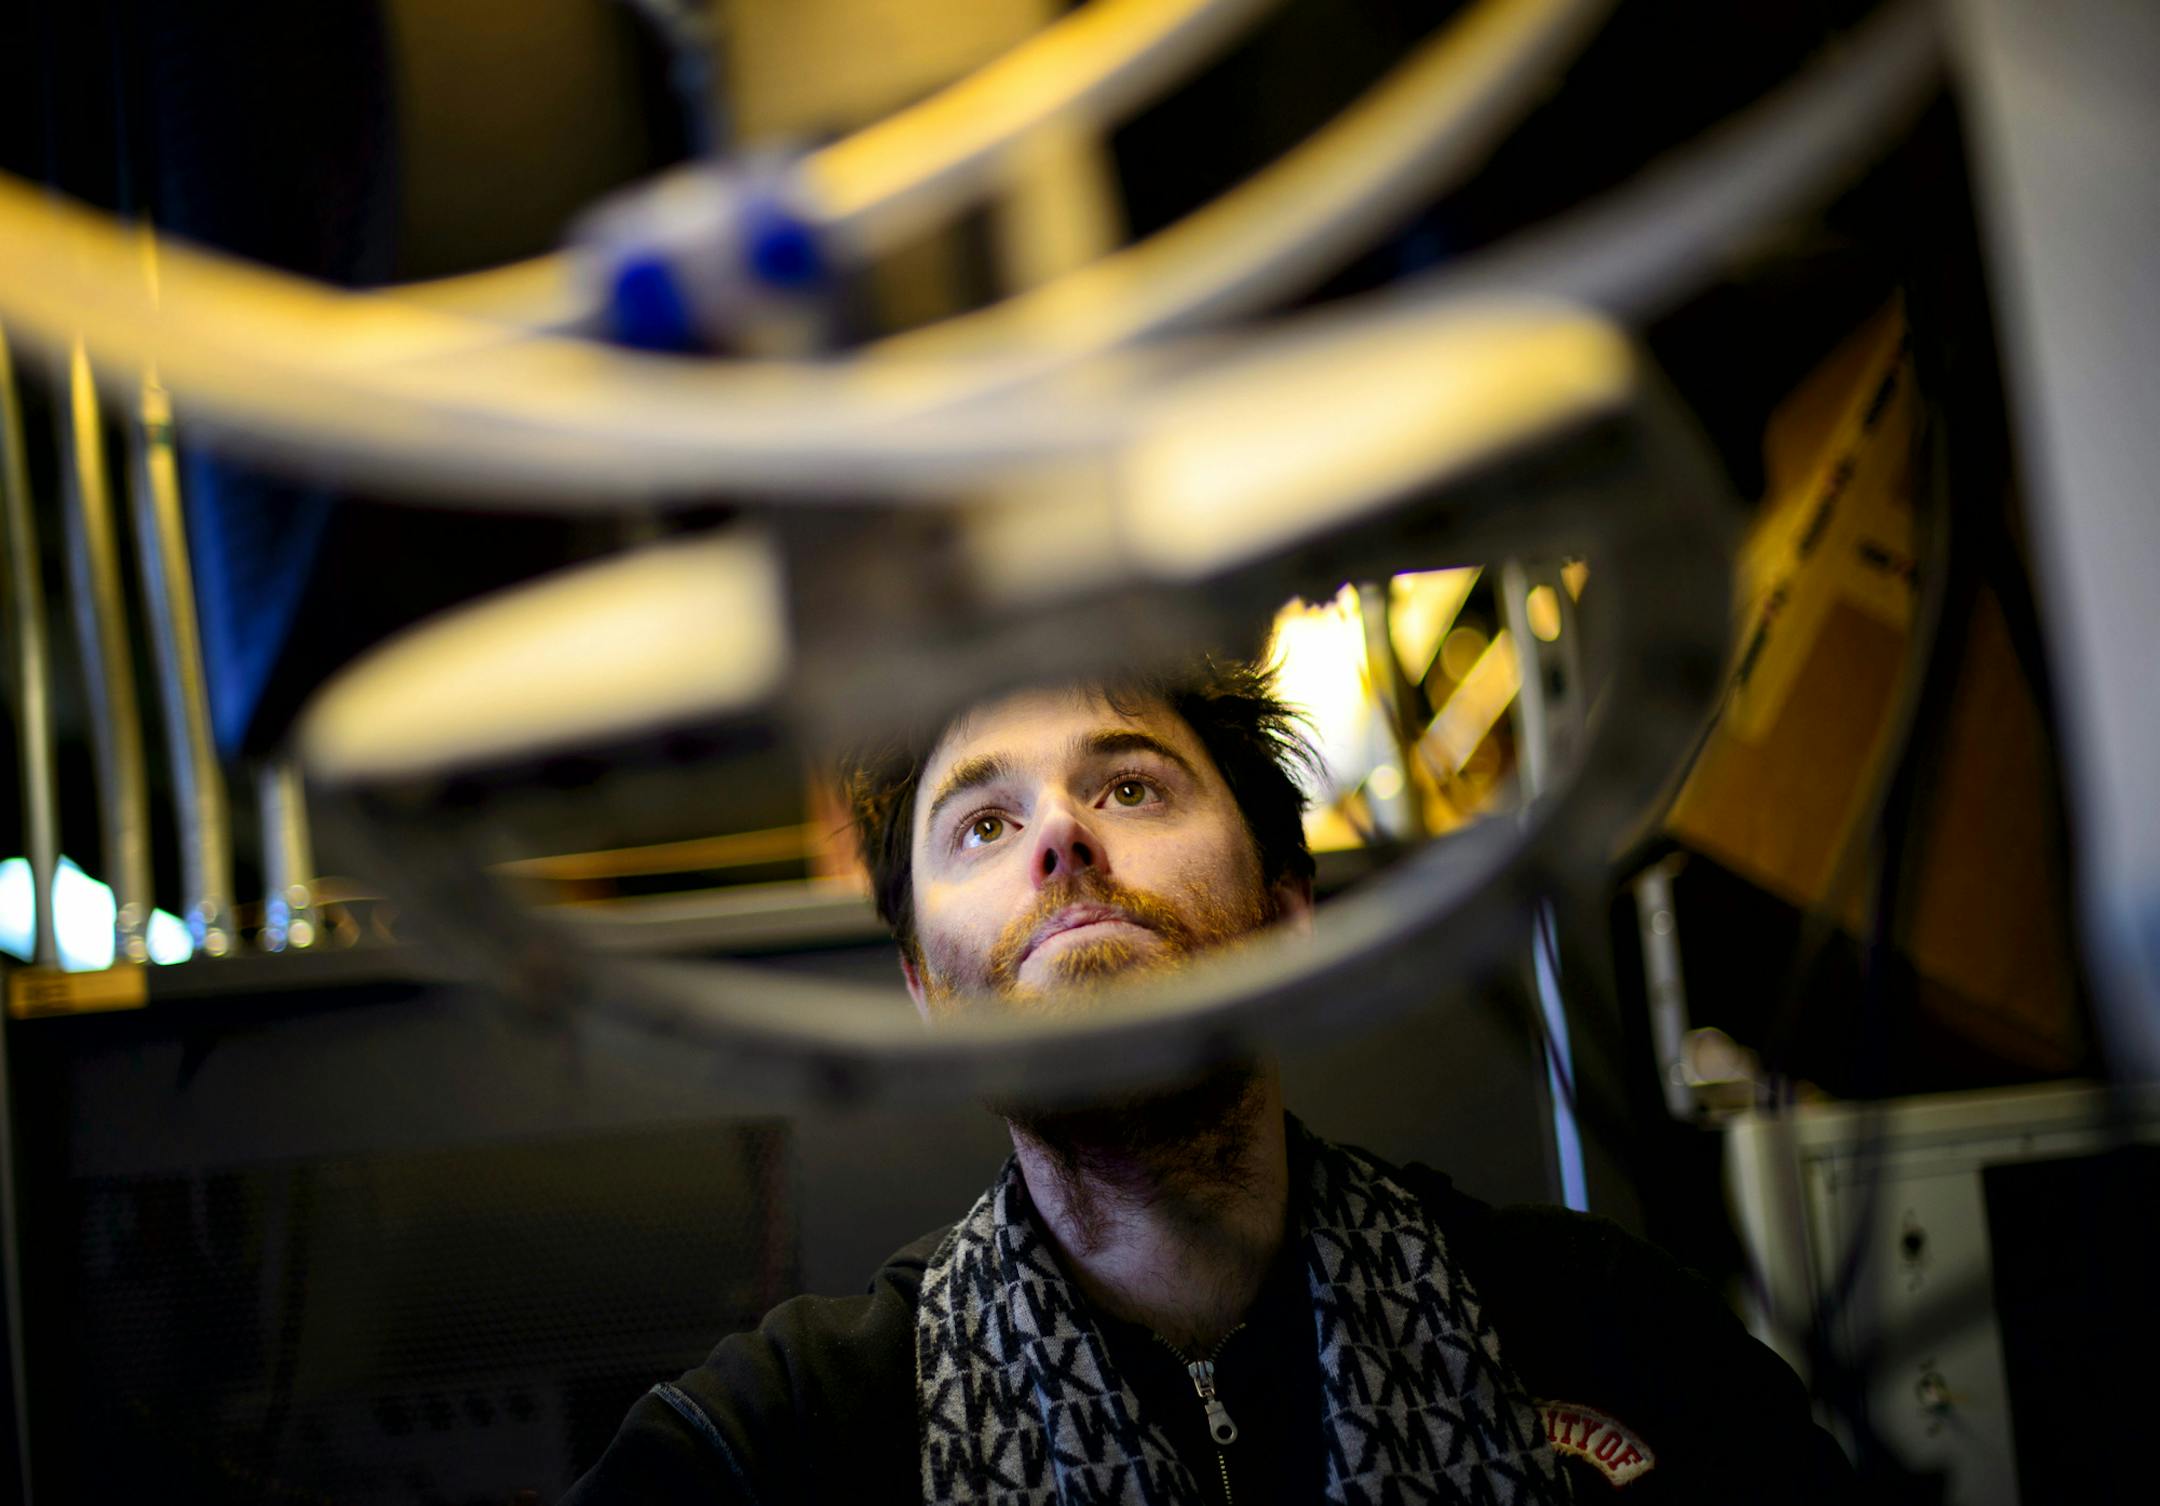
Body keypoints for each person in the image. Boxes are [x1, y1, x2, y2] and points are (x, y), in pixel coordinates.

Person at [566, 659, 1852, 1505]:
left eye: (1130, 786)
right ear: (929, 999)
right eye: (985, 825)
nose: (1062, 837)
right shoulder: (783, 1444)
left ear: (1286, 915)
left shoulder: (1611, 1331)